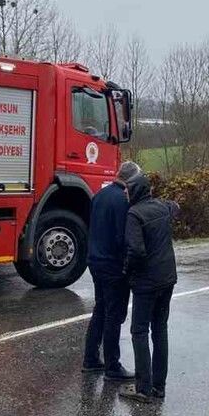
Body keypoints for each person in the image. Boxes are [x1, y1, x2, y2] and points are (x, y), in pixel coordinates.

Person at [119, 173, 180, 404]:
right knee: (160, 329)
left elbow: (136, 251)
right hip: (167, 278)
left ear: (135, 191)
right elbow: (176, 207)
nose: (125, 193)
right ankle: (158, 386)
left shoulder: (134, 214)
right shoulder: (163, 207)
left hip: (146, 282)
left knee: (139, 331)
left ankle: (143, 388)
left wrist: (127, 271)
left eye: (127, 190)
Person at [82, 161, 142, 380]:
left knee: (100, 309)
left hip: (95, 261)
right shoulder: (123, 201)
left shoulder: (100, 195)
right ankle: (112, 366)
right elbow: (122, 237)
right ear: (131, 180)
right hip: (113, 266)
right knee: (113, 315)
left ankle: (90, 359)